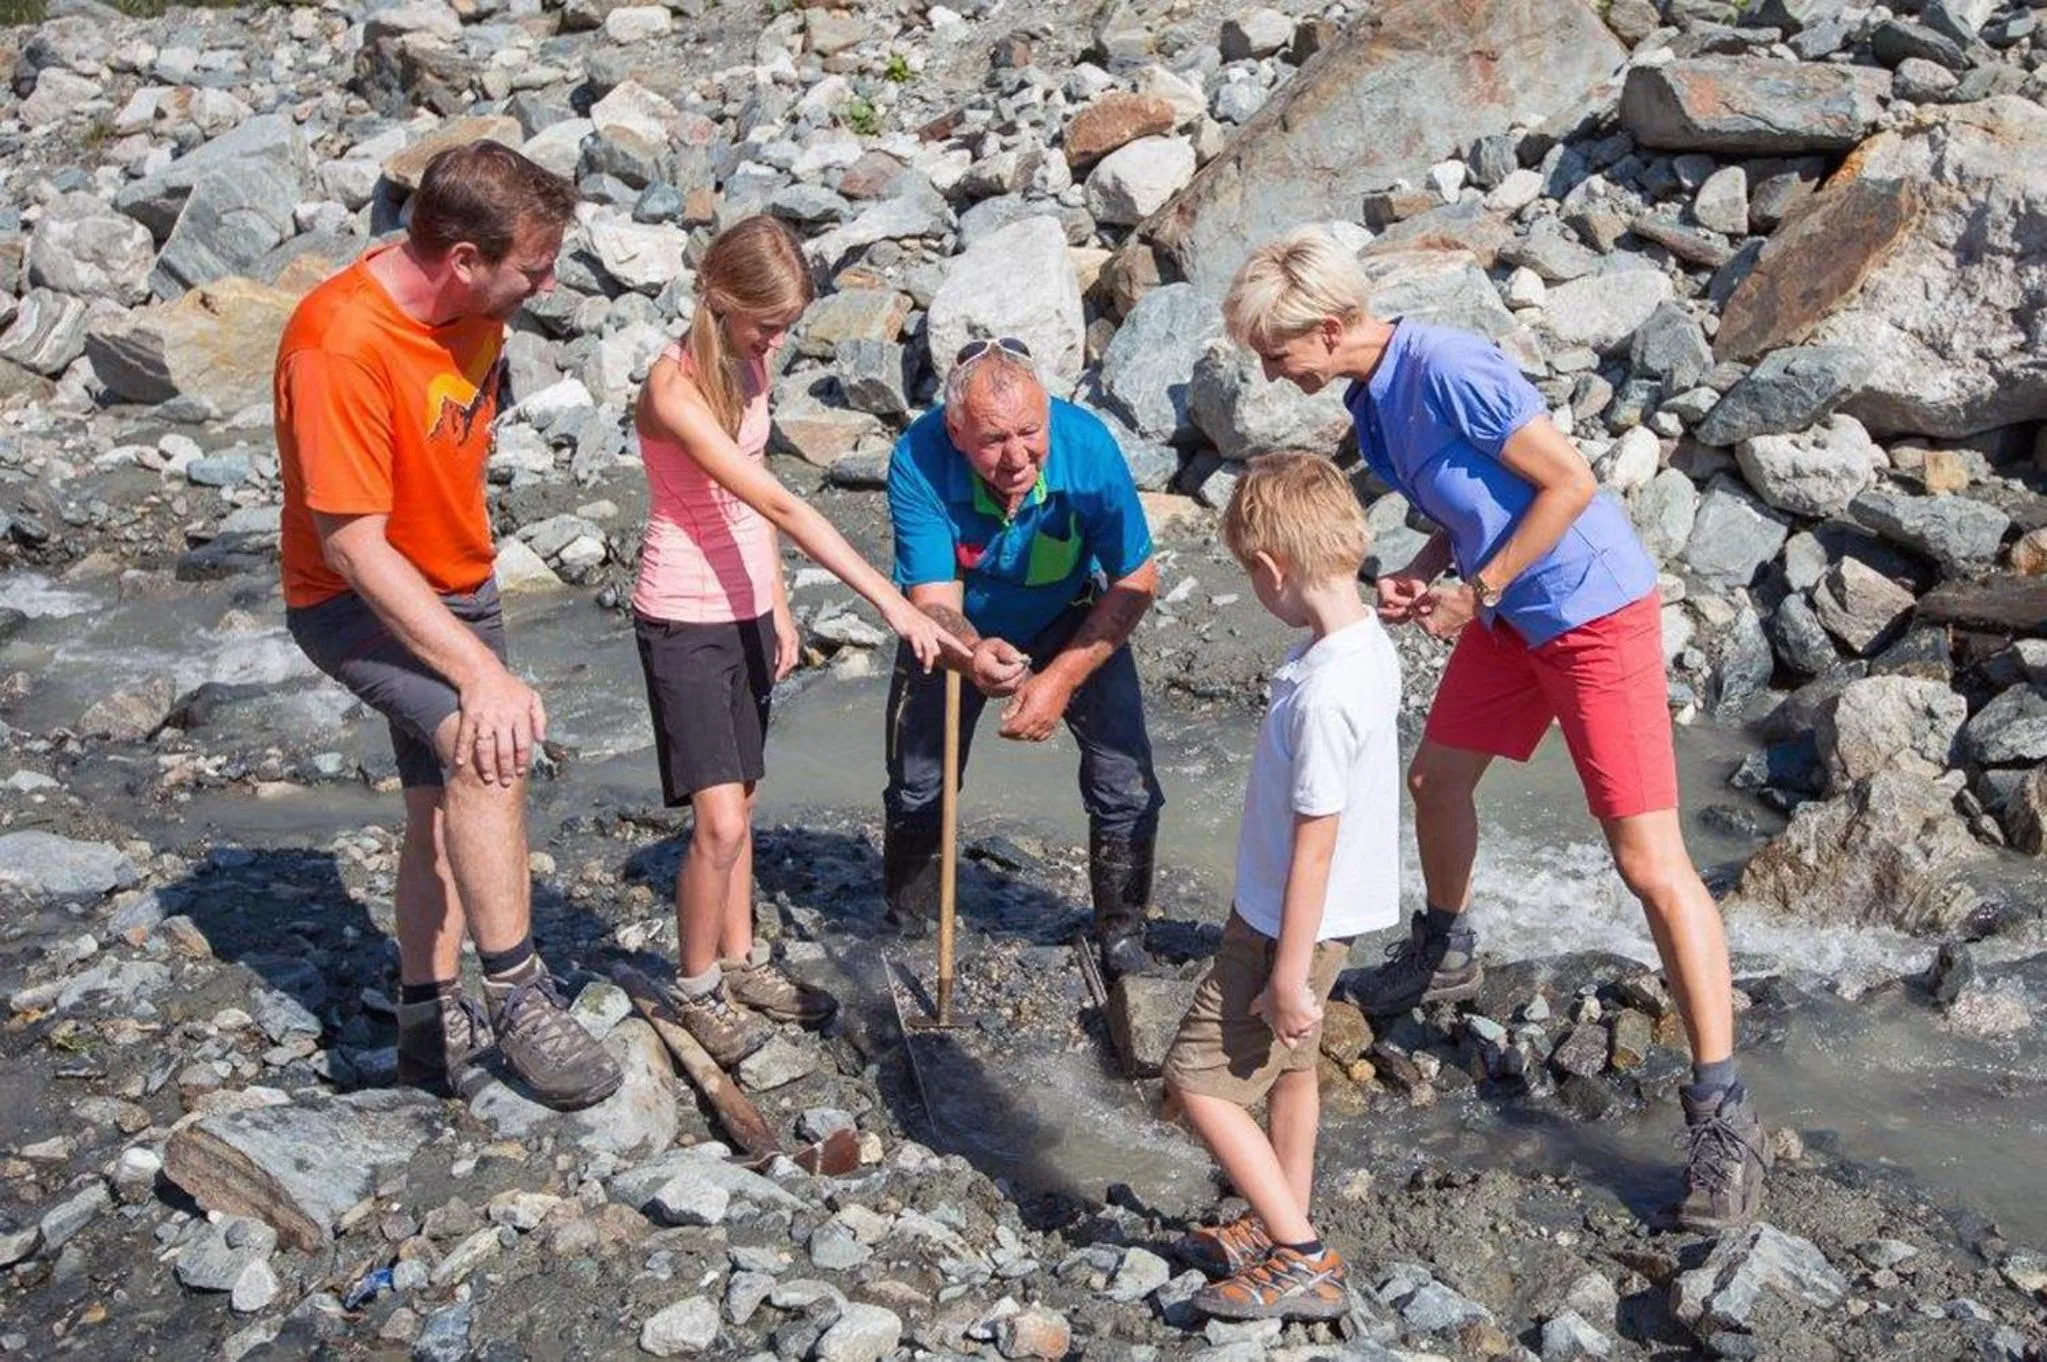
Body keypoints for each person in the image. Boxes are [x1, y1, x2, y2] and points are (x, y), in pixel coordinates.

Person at [1220, 226, 1769, 1230]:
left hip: (1592, 612)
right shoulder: (1369, 399)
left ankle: (1722, 1113)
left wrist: (1478, 588)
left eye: (1274, 351)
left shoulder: (1452, 367)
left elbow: (1568, 484)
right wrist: (1430, 571)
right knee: (1437, 782)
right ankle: (1448, 946)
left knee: (1648, 863)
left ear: (1331, 327)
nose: (1269, 370)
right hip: (1507, 612)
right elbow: (1468, 503)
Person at [277, 141, 621, 1110]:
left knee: (438, 804)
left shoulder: (478, 311)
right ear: (463, 258)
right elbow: (352, 547)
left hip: (455, 583)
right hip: (352, 600)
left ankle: (428, 1024)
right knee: (486, 752)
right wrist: (476, 672)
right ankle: (519, 997)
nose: (547, 286)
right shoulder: (338, 344)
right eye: (533, 268)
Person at [629, 215, 965, 1065]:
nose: (777, 339)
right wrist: (891, 602)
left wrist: (775, 603)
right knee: (714, 823)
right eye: (766, 323)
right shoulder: (671, 390)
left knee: (741, 805)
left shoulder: (751, 362)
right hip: (681, 612)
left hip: (742, 604)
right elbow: (782, 501)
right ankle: (695, 984)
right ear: (718, 297)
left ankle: (740, 961)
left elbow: (753, 505)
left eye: (785, 325)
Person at [1163, 452, 1402, 1321]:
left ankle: (1300, 1255)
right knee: (1291, 1071)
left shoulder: (1322, 695)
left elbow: (1313, 843)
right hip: (1323, 916)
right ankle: (1279, 1218)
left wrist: (1286, 974)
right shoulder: (1361, 645)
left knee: (1197, 1077)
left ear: (1270, 571)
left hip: (1282, 922)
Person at [883, 338, 1165, 979]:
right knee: (918, 784)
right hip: (960, 623)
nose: (1017, 458)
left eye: (1030, 433)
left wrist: (1061, 678)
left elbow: (1137, 578)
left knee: (1125, 785)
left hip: (1072, 610)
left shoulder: (1086, 447)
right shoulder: (920, 458)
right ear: (956, 432)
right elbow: (930, 603)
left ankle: (1122, 939)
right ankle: (908, 927)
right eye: (993, 441)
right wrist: (974, 653)